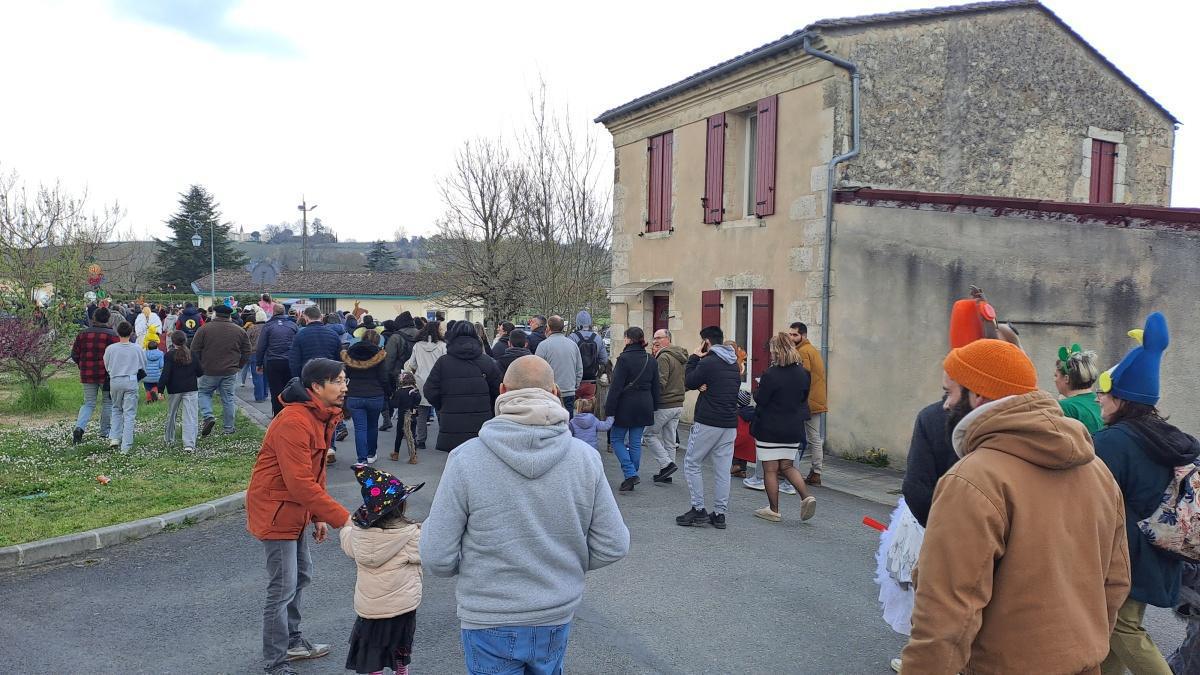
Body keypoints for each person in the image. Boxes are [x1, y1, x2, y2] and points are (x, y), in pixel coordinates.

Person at [900, 339, 1129, 673]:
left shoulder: (972, 480)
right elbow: (1117, 580)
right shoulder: (1098, 472)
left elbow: (945, 615)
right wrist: (1083, 645)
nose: (946, 406)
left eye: (949, 393)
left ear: (978, 395)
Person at [420, 355, 630, 674]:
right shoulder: (585, 459)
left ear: (502, 391)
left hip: (488, 614)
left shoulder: (466, 459)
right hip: (555, 613)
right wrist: (564, 563)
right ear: (556, 393)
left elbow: (436, 555)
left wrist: (477, 569)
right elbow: (613, 544)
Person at [1093, 312, 1198, 675]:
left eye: (1104, 393)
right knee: (1112, 630)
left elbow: (1091, 502)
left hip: (1126, 557)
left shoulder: (1112, 442)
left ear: (1122, 398)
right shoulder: (1165, 435)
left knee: (1122, 628)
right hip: (1160, 551)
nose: (1098, 400)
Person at [246, 358, 353, 675]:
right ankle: (276, 662)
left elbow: (314, 470)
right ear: (316, 387)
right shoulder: (294, 421)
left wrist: (318, 515)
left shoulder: (320, 415)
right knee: (282, 587)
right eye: (338, 381)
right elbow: (299, 482)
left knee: (301, 575)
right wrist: (342, 518)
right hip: (276, 510)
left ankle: (293, 642)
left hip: (294, 508)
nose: (345, 386)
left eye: (345, 379)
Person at [341, 465, 424, 675]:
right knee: (400, 650)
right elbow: (428, 553)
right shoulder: (411, 536)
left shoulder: (357, 537)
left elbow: (345, 536)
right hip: (401, 608)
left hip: (369, 610)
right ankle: (401, 671)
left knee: (372, 654)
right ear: (400, 507)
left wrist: (352, 523)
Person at [676, 326, 741, 529]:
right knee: (722, 470)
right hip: (729, 423)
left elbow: (689, 380)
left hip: (708, 421)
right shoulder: (733, 364)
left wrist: (695, 357)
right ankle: (720, 514)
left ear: (706, 342)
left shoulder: (708, 362)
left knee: (692, 463)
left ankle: (698, 509)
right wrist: (702, 384)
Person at [751, 333, 816, 523]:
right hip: (793, 426)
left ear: (777, 350)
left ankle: (773, 509)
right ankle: (806, 496)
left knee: (770, 469)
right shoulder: (804, 374)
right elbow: (803, 398)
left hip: (770, 427)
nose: (770, 353)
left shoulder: (771, 374)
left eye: (772, 349)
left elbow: (762, 399)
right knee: (787, 465)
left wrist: (758, 390)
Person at [423, 321, 501, 453]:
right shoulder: (487, 362)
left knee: (455, 463)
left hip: (452, 422)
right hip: (481, 422)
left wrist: (443, 405)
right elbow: (498, 391)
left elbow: (429, 390)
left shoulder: (443, 362)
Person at [604, 326, 660, 493]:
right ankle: (632, 475)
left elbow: (616, 387)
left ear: (628, 339)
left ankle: (630, 474)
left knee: (616, 439)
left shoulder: (623, 359)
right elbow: (656, 386)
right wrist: (654, 406)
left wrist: (609, 409)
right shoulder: (651, 359)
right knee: (635, 442)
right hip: (645, 404)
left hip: (625, 404)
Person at [191, 304, 251, 437]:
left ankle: (208, 416)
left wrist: (199, 366)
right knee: (228, 399)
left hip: (208, 369)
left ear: (214, 314)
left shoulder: (204, 329)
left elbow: (194, 350)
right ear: (230, 316)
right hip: (230, 371)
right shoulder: (239, 330)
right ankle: (229, 428)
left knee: (203, 393)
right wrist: (239, 366)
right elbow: (247, 351)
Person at [645, 328, 687, 484]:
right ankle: (667, 474)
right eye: (654, 337)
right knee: (669, 440)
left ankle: (666, 464)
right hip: (678, 403)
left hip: (665, 404)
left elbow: (660, 383)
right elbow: (685, 381)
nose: (655, 340)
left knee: (648, 434)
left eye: (659, 337)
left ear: (667, 339)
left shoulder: (663, 357)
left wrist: (650, 399)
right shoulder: (680, 356)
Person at [71, 306, 119, 444]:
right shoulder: (112, 336)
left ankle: (79, 427)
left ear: (93, 318)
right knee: (107, 403)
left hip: (87, 373)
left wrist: (82, 364)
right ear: (108, 319)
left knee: (88, 403)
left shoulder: (83, 334)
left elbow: (74, 354)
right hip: (107, 375)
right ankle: (105, 431)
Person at [342, 331, 390, 465]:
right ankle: (371, 453)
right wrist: (387, 392)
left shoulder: (351, 353)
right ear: (377, 341)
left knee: (360, 428)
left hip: (355, 394)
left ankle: (361, 459)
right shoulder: (379, 355)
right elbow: (384, 377)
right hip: (375, 394)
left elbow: (346, 374)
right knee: (373, 426)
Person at [787, 322, 827, 486]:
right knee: (814, 437)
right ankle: (816, 472)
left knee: (801, 436)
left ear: (803, 335)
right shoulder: (812, 350)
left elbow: (801, 377)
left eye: (794, 335)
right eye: (790, 334)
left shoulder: (803, 352)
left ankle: (791, 469)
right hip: (814, 399)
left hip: (806, 401)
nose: (791, 337)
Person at [103, 322, 146, 451]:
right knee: (129, 413)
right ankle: (126, 445)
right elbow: (143, 365)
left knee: (116, 408)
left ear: (118, 333)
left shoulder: (110, 349)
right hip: (131, 380)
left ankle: (115, 437)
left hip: (115, 380)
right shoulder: (137, 348)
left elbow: (106, 365)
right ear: (131, 332)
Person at [404, 321, 446, 452]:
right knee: (441, 412)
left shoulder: (417, 346)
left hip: (421, 381)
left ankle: (421, 440)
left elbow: (412, 364)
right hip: (439, 381)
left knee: (422, 412)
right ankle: (443, 439)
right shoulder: (443, 346)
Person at [161, 330, 202, 451]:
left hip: (174, 389)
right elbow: (200, 372)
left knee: (172, 414)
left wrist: (160, 388)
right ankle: (189, 444)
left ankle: (169, 438)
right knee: (190, 416)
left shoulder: (169, 355)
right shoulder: (192, 354)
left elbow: (165, 373)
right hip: (191, 388)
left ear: (173, 342)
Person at [535, 315, 583, 415]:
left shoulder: (543, 345)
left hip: (550, 392)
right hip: (569, 390)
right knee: (568, 422)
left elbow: (537, 370)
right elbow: (579, 369)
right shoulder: (573, 345)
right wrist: (575, 385)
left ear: (548, 327)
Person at [258, 304, 300, 417]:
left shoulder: (268, 326)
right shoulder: (293, 325)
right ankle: (290, 413)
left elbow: (262, 346)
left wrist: (259, 363)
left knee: (275, 390)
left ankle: (278, 415)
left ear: (273, 312)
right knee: (291, 388)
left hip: (273, 361)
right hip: (290, 361)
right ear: (284, 312)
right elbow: (298, 343)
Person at [381, 312, 419, 432]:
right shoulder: (421, 334)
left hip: (400, 373)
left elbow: (390, 358)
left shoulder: (396, 337)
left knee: (404, 401)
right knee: (416, 400)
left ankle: (404, 427)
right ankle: (414, 425)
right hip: (418, 372)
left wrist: (386, 375)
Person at [1054, 343, 1104, 434]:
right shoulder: (1102, 400)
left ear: (1066, 379)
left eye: (1056, 375)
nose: (1055, 380)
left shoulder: (1064, 406)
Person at [569, 310, 609, 390]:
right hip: (591, 380)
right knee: (590, 401)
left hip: (575, 380)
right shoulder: (597, 338)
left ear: (577, 322)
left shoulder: (572, 337)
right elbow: (604, 360)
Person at [390, 372, 422, 464]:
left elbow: (394, 404)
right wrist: (414, 407)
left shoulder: (399, 392)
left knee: (399, 436)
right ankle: (413, 456)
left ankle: (396, 454)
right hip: (412, 416)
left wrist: (392, 398)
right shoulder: (415, 391)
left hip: (402, 417)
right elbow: (418, 399)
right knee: (411, 436)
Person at [143, 338, 164, 403]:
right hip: (157, 376)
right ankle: (154, 390)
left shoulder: (144, 354)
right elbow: (161, 365)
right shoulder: (160, 353)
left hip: (147, 376)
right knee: (157, 386)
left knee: (147, 387)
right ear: (157, 347)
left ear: (148, 347)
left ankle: (149, 398)